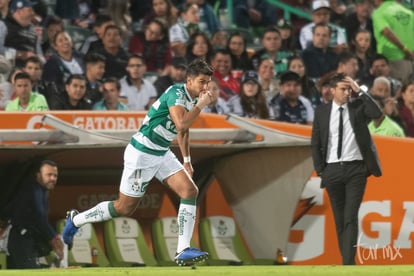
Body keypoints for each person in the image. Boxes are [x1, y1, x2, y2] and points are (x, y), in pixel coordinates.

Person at [62, 59, 216, 266]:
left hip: (161, 152)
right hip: (142, 154)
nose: (206, 87)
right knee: (124, 208)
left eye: (208, 82)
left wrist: (186, 159)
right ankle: (76, 220)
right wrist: (201, 105)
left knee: (190, 191)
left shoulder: (193, 98)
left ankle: (182, 249)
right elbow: (181, 122)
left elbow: (183, 130)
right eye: (201, 82)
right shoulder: (177, 94)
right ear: (189, 80)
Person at [311, 72, 382, 265]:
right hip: (332, 170)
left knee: (350, 217)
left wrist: (360, 92)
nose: (347, 92)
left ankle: (348, 265)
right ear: (332, 90)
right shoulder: (321, 112)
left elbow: (377, 115)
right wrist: (321, 171)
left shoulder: (358, 106)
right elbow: (315, 143)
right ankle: (347, 263)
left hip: (356, 169)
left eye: (349, 88)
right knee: (340, 219)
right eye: (343, 89)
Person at [2, 160, 63, 268]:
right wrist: (53, 239)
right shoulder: (32, 189)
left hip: (22, 239)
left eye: (55, 176)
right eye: (49, 175)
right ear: (38, 175)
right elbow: (39, 217)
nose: (53, 178)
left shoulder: (41, 190)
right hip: (21, 240)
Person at [371, 0, 414, 85]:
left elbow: (386, 32)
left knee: (394, 90)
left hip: (391, 59)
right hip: (410, 59)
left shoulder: (379, 13)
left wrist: (405, 49)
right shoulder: (408, 12)